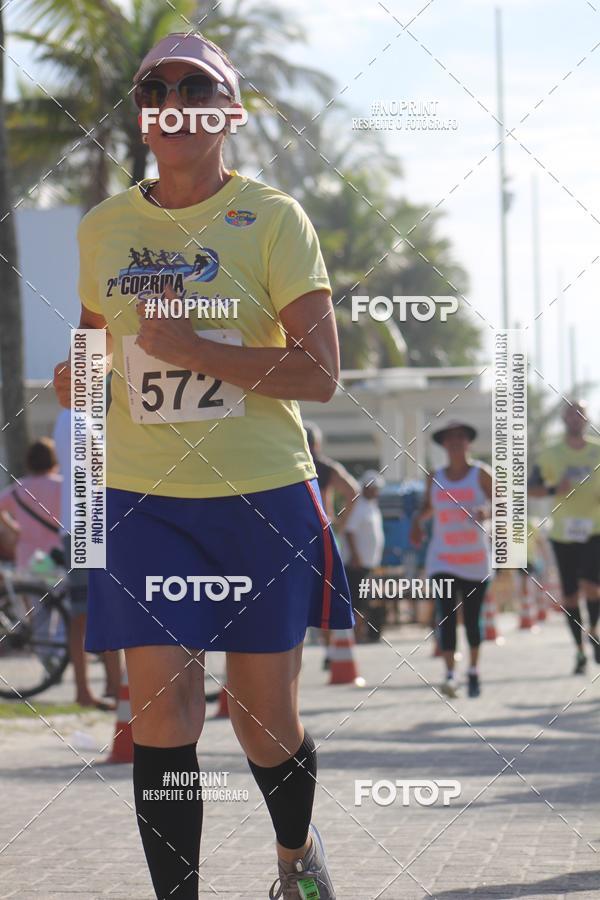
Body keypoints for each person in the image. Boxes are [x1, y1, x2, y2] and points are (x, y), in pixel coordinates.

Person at [53, 32, 352, 900]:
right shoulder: (104, 228)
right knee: (164, 715)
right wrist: (78, 377)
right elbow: (91, 352)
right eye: (156, 86)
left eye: (198, 84)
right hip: (144, 501)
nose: (175, 97)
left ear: (230, 110)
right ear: (142, 115)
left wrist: (193, 346)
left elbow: (321, 374)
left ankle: (297, 856)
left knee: (265, 724)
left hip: (260, 499)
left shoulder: (273, 218)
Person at [410, 420, 492, 698]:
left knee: (471, 620)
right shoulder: (435, 477)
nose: (455, 442)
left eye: (460, 437)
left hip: (475, 560)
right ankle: (448, 675)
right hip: (442, 559)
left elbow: (503, 505)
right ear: (443, 444)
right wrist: (416, 524)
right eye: (449, 438)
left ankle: (474, 671)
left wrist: (487, 511)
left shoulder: (481, 474)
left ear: (468, 442)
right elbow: (427, 508)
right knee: (445, 614)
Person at [53, 409, 121, 710]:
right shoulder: (77, 416)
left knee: (96, 609)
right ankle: (107, 687)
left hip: (84, 522)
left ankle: (110, 684)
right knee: (91, 611)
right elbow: (101, 465)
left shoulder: (73, 416)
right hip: (87, 524)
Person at [528, 399, 600, 674]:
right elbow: (531, 488)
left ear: (586, 417)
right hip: (563, 533)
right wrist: (553, 489)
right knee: (569, 596)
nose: (575, 418)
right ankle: (580, 650)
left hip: (595, 529)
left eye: (580, 413)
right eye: (570, 414)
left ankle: (593, 629)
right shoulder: (551, 454)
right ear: (563, 419)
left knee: (593, 587)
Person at [0, 438, 62, 571]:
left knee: (30, 591)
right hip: (58, 554)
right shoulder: (62, 486)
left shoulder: (18, 488)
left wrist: (14, 528)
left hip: (27, 555)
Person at [341, 470, 385, 642]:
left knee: (363, 600)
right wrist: (355, 556)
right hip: (356, 564)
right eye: (372, 488)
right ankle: (353, 635)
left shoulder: (371, 507)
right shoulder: (358, 506)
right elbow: (349, 532)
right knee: (357, 601)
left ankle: (359, 633)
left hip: (368, 563)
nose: (375, 491)